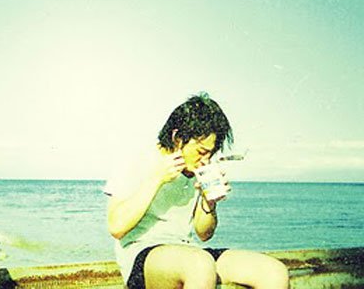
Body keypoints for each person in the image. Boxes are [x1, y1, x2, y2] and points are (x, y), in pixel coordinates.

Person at [105, 93, 289, 289]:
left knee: (273, 272)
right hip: (142, 254)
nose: (206, 160)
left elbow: (204, 234)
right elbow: (116, 227)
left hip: (188, 250)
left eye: (211, 153)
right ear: (177, 138)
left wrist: (208, 202)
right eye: (202, 152)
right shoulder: (139, 160)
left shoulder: (197, 169)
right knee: (199, 265)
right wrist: (157, 179)